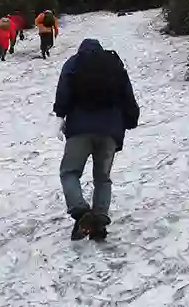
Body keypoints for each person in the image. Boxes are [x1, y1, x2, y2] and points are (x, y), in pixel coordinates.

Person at [52, 39, 140, 242]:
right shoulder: (114, 64)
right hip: (110, 130)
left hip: (79, 129)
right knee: (102, 177)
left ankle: (81, 212)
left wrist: (60, 115)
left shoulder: (74, 63)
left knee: (69, 172)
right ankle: (99, 222)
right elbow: (127, 94)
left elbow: (64, 91)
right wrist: (130, 120)